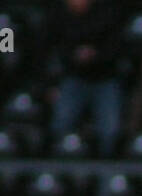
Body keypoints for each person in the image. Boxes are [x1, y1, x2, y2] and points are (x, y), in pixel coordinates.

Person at [49, 0, 124, 157]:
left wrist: (95, 55)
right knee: (61, 124)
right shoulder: (59, 16)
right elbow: (51, 49)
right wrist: (51, 84)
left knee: (110, 130)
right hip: (73, 77)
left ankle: (107, 170)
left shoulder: (108, 13)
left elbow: (117, 48)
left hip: (105, 78)